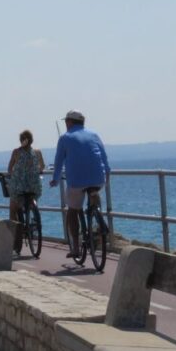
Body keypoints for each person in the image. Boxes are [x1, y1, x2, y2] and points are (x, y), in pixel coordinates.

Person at [50, 110, 110, 258]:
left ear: (69, 122)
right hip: (99, 178)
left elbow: (58, 162)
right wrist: (106, 174)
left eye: (66, 122)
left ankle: (76, 248)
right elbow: (104, 157)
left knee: (72, 211)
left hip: (77, 181)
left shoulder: (65, 138)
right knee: (94, 193)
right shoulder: (94, 135)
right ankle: (98, 217)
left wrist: (55, 179)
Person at [7, 129, 45, 253]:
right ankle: (33, 216)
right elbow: (42, 167)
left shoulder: (16, 152)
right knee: (31, 202)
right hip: (34, 187)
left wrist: (15, 174)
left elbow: (9, 168)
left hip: (19, 187)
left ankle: (14, 238)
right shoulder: (37, 152)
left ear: (21, 140)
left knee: (13, 210)